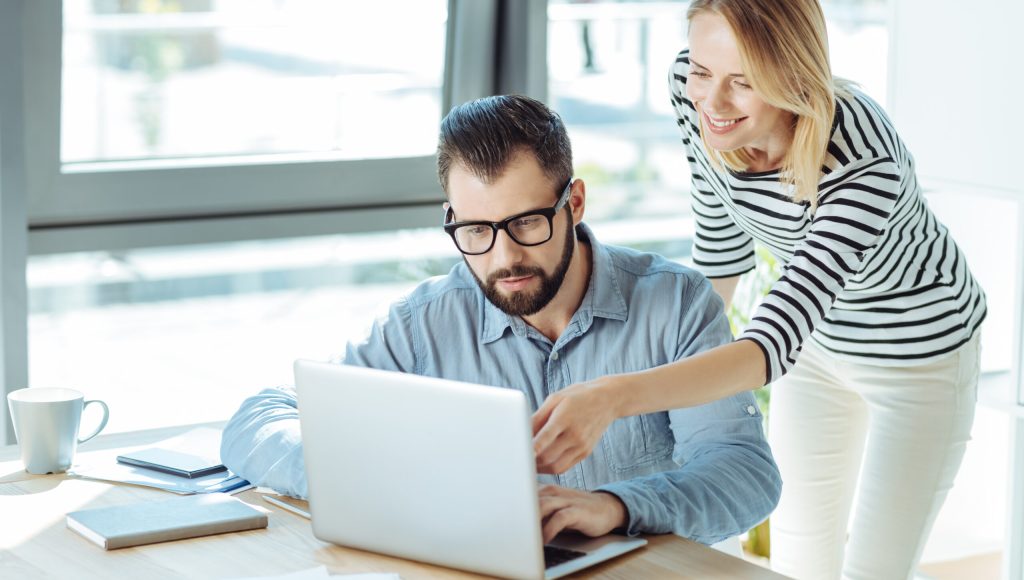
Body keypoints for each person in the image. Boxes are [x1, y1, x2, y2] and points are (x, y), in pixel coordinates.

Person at [529, 1, 987, 578]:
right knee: (798, 559)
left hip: (918, 357)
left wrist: (615, 396)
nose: (712, 104)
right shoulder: (690, 90)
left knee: (876, 570)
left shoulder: (862, 160)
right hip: (819, 347)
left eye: (743, 82)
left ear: (794, 76)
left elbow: (769, 345)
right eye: (702, 71)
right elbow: (721, 246)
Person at [220, 94, 780, 546]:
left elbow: (745, 474)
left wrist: (615, 507)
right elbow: (260, 419)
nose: (503, 258)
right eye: (476, 231)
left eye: (527, 223)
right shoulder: (427, 322)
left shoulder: (676, 303)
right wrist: (373, 479)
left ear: (575, 202)